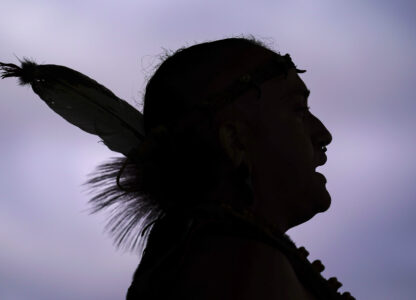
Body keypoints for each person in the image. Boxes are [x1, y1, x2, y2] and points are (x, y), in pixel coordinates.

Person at [0, 37, 355, 299]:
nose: (322, 134)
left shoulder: (210, 251)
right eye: (298, 110)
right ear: (234, 141)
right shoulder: (235, 265)